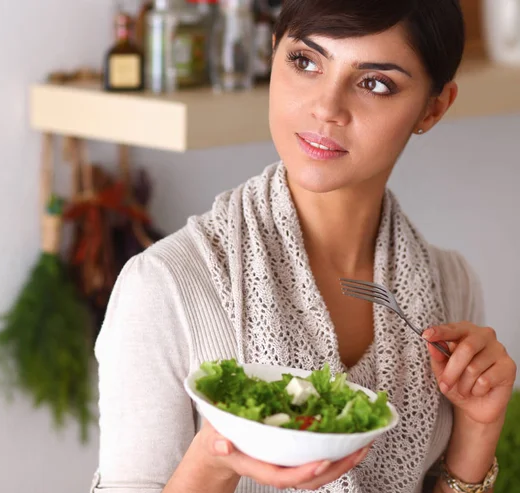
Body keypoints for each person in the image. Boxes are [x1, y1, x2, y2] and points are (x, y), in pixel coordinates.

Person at [89, 0, 517, 492]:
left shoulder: (450, 286)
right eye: (306, 62)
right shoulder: (164, 286)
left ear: (433, 107)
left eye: (375, 82)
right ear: (274, 56)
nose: (327, 108)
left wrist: (479, 428)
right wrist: (215, 459)